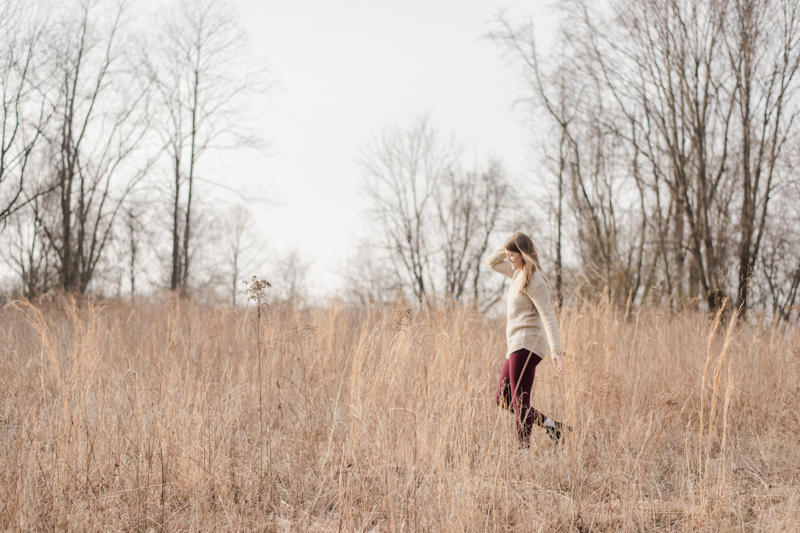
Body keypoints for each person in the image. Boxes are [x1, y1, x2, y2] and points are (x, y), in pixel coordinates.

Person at [485, 232, 566, 447]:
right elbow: (490, 262)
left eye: (512, 255)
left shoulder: (534, 279)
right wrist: (508, 248)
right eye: (508, 255)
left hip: (527, 344)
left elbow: (548, 315)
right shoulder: (517, 274)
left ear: (522, 254)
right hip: (515, 345)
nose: (508, 259)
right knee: (503, 398)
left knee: (520, 401)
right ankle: (553, 426)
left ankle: (523, 452)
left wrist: (556, 351)